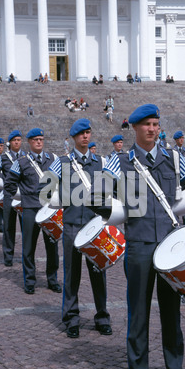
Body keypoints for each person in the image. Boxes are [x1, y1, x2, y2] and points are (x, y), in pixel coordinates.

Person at [90, 104, 185, 369]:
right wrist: (118, 213)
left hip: (171, 248)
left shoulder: (174, 158)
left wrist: (179, 209)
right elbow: (97, 195)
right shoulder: (120, 161)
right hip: (139, 246)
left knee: (172, 316)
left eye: (156, 124)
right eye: (147, 125)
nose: (153, 129)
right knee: (138, 317)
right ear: (136, 128)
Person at [46, 118, 112, 338]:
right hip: (73, 225)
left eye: (88, 132)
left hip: (95, 226)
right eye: (81, 133)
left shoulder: (101, 162)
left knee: (98, 273)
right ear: (74, 137)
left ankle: (102, 316)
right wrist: (63, 199)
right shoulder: (62, 163)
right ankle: (71, 318)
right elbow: (44, 188)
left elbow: (118, 184)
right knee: (71, 274)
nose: (85, 136)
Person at [4, 128, 61, 294]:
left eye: (41, 139)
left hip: (49, 209)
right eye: (35, 139)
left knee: (52, 247)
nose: (39, 142)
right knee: (28, 246)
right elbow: (9, 184)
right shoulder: (21, 162)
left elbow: (61, 180)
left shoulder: (53, 159)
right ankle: (29, 280)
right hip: (30, 209)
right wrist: (25, 197)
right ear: (29, 142)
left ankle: (52, 279)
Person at [0, 130, 25, 266]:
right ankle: (8, 256)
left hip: (23, 198)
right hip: (9, 196)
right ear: (10, 142)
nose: (17, 142)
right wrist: (5, 186)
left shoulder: (25, 156)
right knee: (9, 227)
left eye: (19, 140)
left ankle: (26, 255)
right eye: (14, 140)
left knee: (25, 228)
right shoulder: (3, 158)